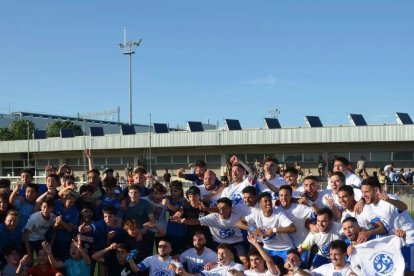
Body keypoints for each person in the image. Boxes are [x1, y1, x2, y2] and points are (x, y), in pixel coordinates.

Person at [173, 197, 247, 267]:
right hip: (219, 243)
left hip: (236, 243)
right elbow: (196, 221)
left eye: (224, 208)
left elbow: (250, 226)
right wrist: (183, 221)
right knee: (215, 262)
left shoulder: (237, 216)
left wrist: (253, 229)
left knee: (245, 261)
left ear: (230, 208)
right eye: (219, 208)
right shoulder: (212, 217)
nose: (221, 210)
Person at [239, 192, 295, 270]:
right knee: (260, 267)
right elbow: (239, 222)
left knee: (290, 269)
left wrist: (273, 230)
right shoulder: (257, 214)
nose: (268, 203)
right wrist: (253, 229)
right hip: (268, 248)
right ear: (259, 204)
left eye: (269, 200)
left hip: (284, 248)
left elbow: (292, 228)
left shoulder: (279, 214)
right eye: (265, 201)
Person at [23, 198, 56, 266]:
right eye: (44, 207)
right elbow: (25, 234)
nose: (46, 210)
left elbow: (54, 231)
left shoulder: (53, 217)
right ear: (41, 207)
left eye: (49, 208)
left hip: (41, 240)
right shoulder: (33, 218)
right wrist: (29, 252)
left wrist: (51, 244)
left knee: (44, 259)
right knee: (30, 261)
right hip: (29, 240)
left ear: (52, 208)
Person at [178, 243, 244, 276]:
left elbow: (240, 274)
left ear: (230, 254)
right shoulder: (213, 266)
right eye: (218, 253)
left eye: (223, 253)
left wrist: (236, 273)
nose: (220, 256)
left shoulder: (237, 266)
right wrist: (185, 273)